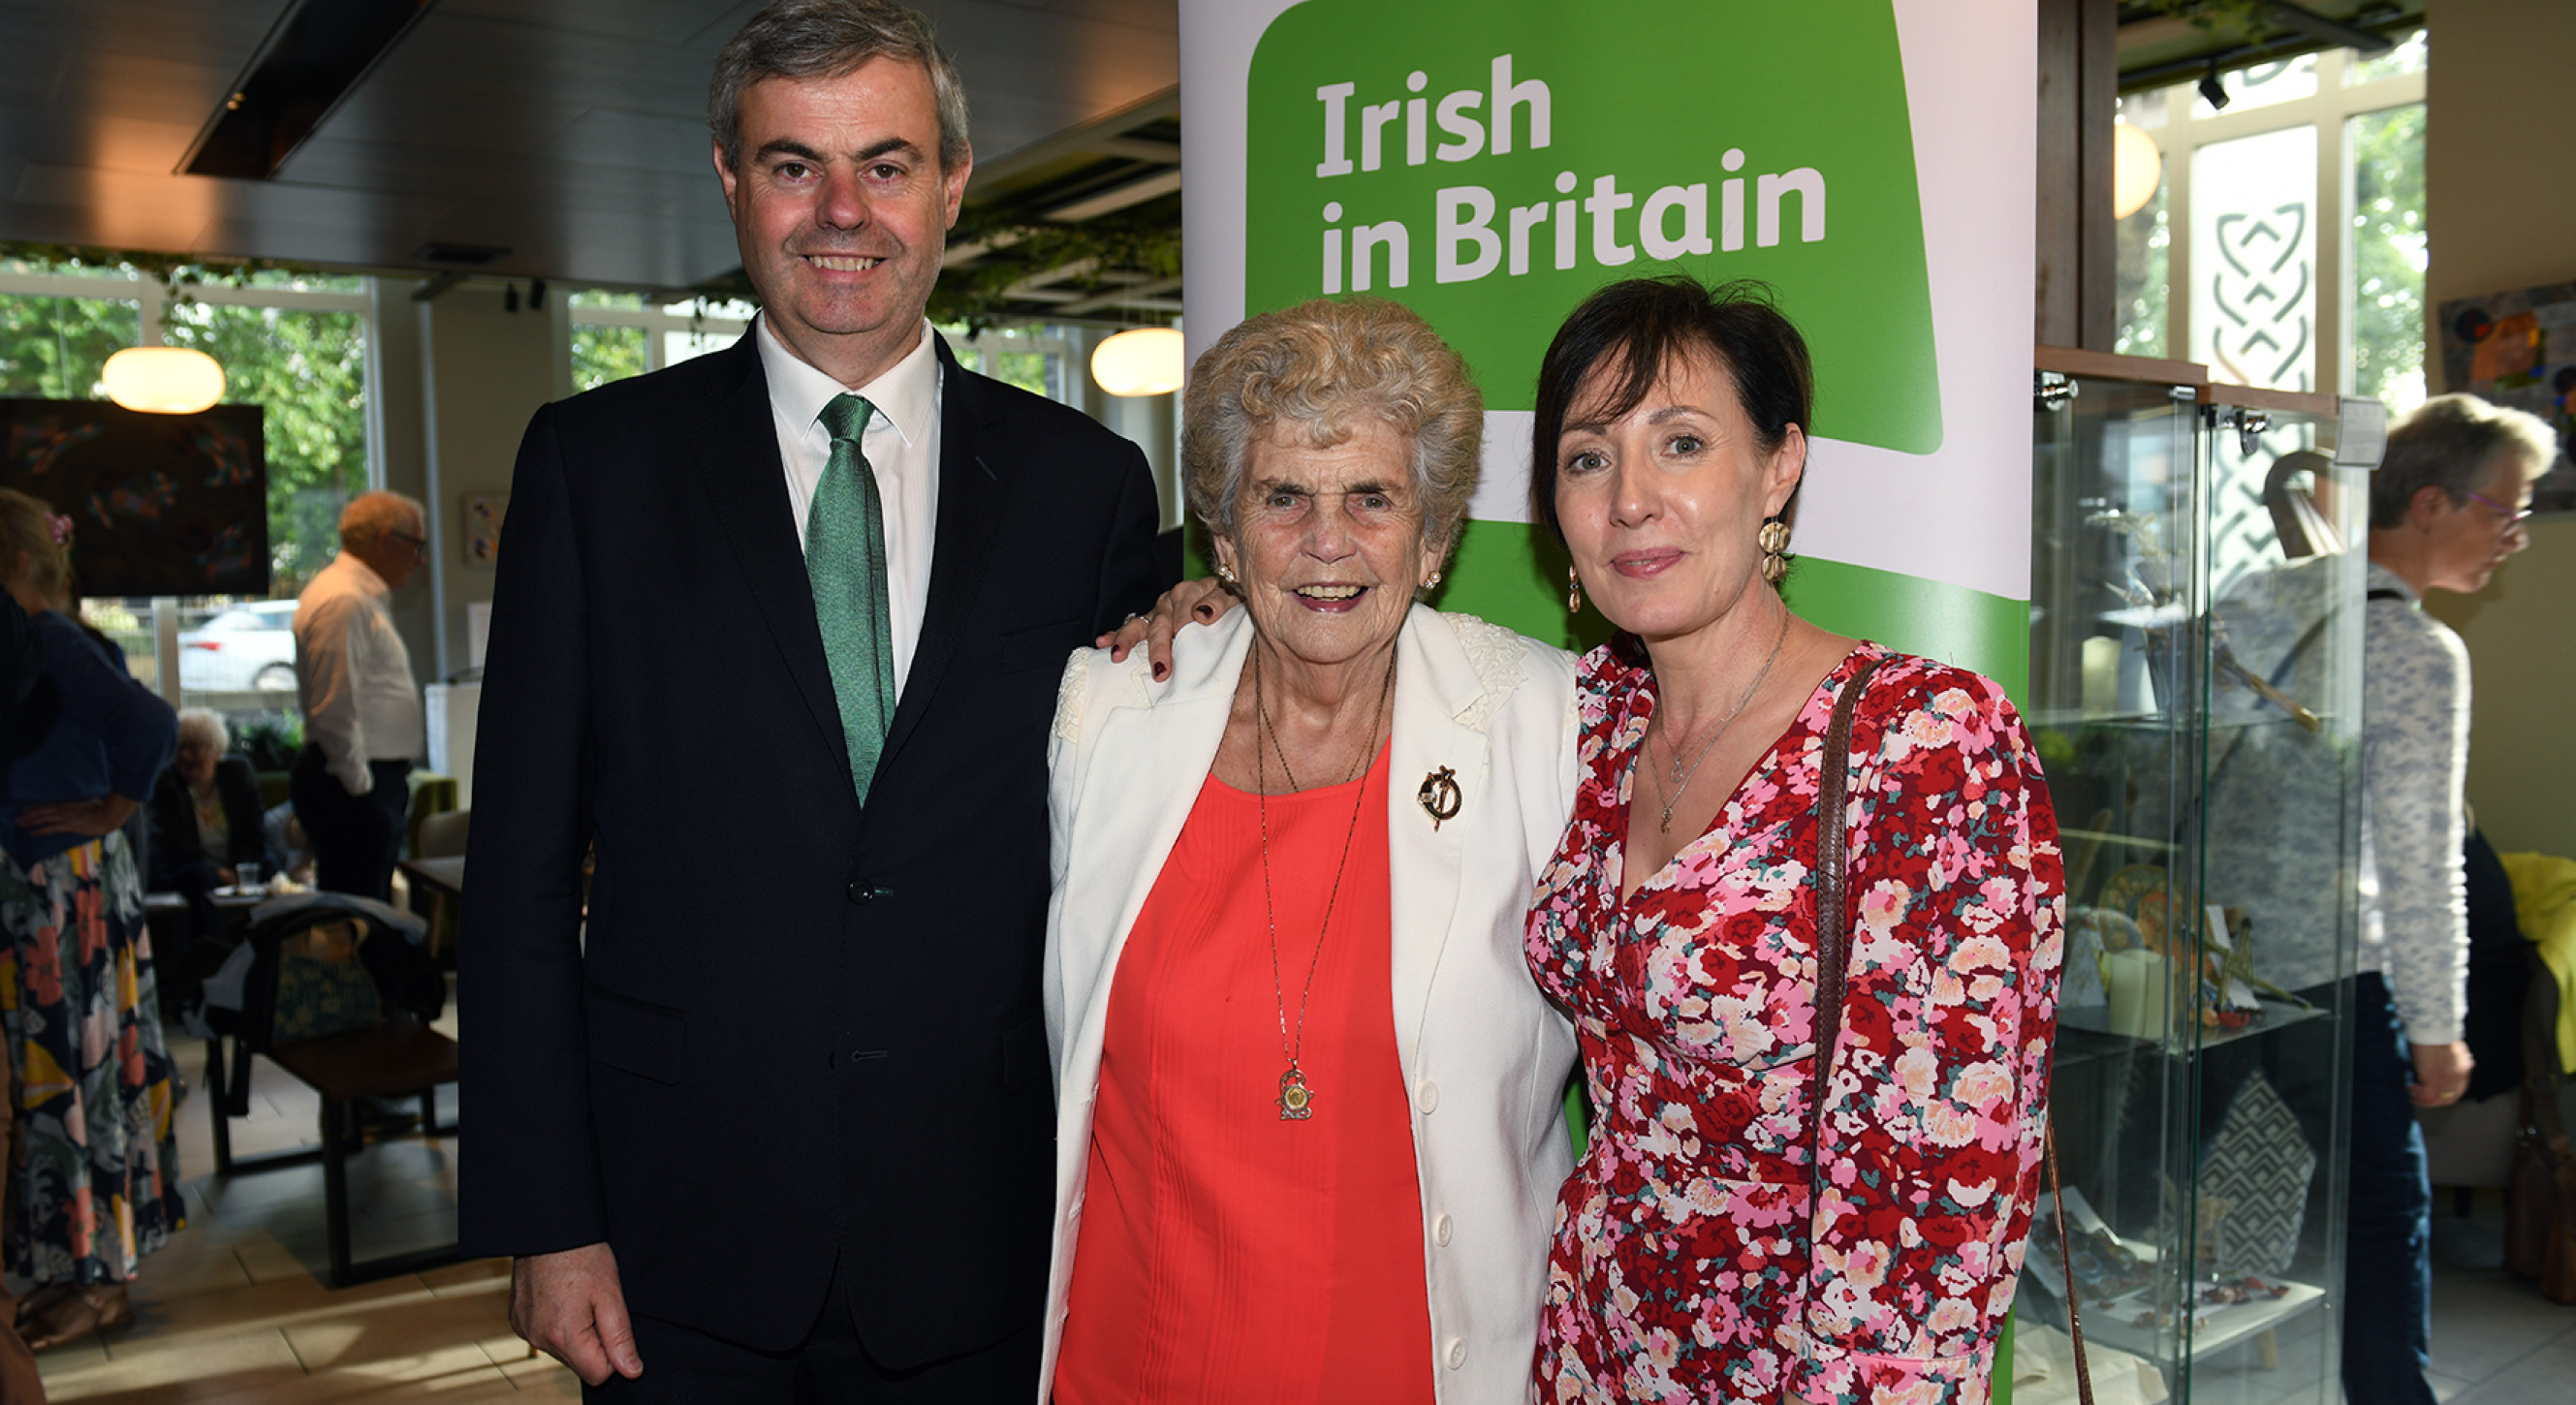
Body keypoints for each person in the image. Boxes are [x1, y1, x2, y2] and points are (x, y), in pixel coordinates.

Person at [458, 0, 1163, 1396]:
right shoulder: (593, 468)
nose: (842, 211)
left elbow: (1123, 845)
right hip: (676, 1240)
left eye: (887, 164)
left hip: (987, 1231)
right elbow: (518, 874)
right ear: (730, 178)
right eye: (794, 166)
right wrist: (548, 1213)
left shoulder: (1086, 488)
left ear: (952, 183)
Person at [1519, 278, 2064, 1400]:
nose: (1629, 500)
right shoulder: (1587, 723)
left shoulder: (1924, 744)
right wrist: (1211, 618)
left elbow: (1938, 1199)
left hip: (1802, 1376)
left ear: (1780, 466)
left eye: (1680, 443)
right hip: (1591, 1350)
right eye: (1587, 457)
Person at [1041, 299, 1579, 1402]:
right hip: (1139, 1360)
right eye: (1283, 496)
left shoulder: (1541, 721)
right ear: (1226, 540)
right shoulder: (1111, 713)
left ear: (1433, 540)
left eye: (1371, 498)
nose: (1326, 540)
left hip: (1420, 1364)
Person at [2345, 392, 2554, 1405]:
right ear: (2429, 503)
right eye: (2506, 509)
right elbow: (2422, 862)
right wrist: (2439, 1027)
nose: (2515, 536)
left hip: (2238, 978)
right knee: (2387, 1228)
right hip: (2349, 979)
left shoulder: (2267, 599)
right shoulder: (2421, 652)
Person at [0, 489, 185, 1356]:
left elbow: (149, 722)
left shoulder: (54, 639)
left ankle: (101, 1283)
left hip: (63, 899)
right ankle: (75, 1269)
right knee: (57, 1085)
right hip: (45, 895)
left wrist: (112, 808)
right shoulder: (34, 640)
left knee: (78, 1080)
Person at [291, 491, 427, 900]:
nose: (419, 560)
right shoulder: (344, 600)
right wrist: (361, 790)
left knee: (364, 914)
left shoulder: (357, 597)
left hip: (359, 782)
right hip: (350, 784)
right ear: (386, 540)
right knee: (357, 918)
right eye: (415, 546)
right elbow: (334, 707)